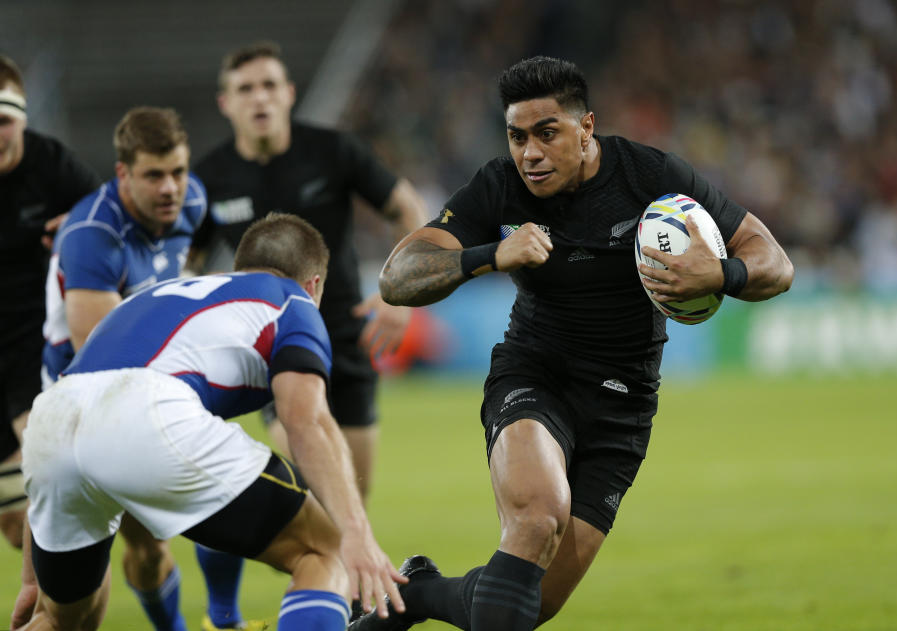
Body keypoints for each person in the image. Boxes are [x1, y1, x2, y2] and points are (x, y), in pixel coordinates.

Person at [350, 56, 795, 631]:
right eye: (517, 137)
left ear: (586, 128)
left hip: (623, 407)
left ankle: (417, 594)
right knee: (536, 520)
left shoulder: (648, 175)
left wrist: (722, 275)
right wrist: (486, 256)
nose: (529, 153)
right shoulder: (499, 187)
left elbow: (775, 263)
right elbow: (397, 277)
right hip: (535, 377)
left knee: (529, 604)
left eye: (546, 133)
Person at [17, 212, 408, 631]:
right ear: (315, 284)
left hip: (50, 423)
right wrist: (356, 531)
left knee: (60, 619)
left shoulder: (160, 295)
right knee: (325, 550)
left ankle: (223, 618)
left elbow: (77, 403)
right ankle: (228, 616)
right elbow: (305, 419)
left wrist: (30, 578)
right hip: (140, 411)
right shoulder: (292, 300)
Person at [33, 106, 262, 631]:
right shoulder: (92, 237)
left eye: (178, 172)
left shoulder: (193, 199)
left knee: (227, 486)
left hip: (157, 378)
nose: (171, 188)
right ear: (122, 175)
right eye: (153, 175)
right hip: (85, 402)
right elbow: (100, 358)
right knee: (148, 544)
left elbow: (193, 246)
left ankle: (224, 621)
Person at [191, 41, 428, 503]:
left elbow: (409, 208)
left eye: (268, 85)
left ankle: (339, 573)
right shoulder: (210, 178)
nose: (259, 98)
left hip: (347, 338)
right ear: (226, 103)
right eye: (245, 89)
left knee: (353, 502)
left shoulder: (332, 151)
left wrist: (401, 292)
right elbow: (185, 262)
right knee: (320, 497)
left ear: (289, 93)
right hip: (273, 347)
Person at [0, 53, 99, 551]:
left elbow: (108, 221)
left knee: (51, 491)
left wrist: (78, 228)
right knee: (17, 527)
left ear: (23, 118)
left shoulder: (51, 164)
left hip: (30, 346)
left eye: (4, 121)